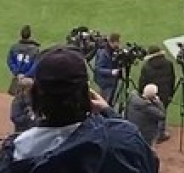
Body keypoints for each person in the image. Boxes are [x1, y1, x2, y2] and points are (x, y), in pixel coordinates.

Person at [0, 46, 159, 172]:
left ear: (35, 97)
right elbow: (148, 163)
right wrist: (109, 113)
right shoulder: (123, 139)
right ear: (87, 94)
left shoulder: (17, 152)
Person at [138, 45, 175, 144]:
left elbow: (142, 82)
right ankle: (161, 133)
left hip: (151, 94)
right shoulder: (169, 63)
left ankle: (152, 133)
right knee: (162, 112)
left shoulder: (147, 66)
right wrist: (171, 93)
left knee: (150, 113)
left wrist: (142, 93)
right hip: (165, 93)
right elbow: (172, 80)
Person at [6, 25, 41, 96]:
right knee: (29, 101)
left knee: (16, 101)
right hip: (29, 80)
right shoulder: (35, 49)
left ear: (21, 34)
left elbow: (10, 61)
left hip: (17, 79)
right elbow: (36, 65)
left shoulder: (14, 47)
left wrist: (17, 73)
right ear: (30, 35)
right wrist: (26, 75)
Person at [94, 33, 122, 105]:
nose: (119, 44)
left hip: (112, 81)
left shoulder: (115, 50)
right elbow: (98, 69)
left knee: (109, 102)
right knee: (103, 104)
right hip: (105, 83)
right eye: (117, 42)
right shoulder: (103, 53)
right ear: (111, 42)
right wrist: (111, 72)